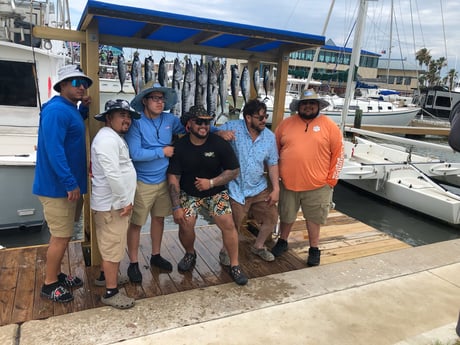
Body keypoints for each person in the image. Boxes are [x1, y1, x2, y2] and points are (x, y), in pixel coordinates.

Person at [167, 105, 248, 285]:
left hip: (215, 192)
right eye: (199, 122)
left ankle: (235, 264)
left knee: (227, 222)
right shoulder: (180, 146)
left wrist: (211, 182)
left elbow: (234, 171)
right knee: (186, 223)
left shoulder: (219, 143)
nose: (204, 125)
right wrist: (176, 207)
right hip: (189, 193)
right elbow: (173, 177)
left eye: (207, 122)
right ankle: (190, 253)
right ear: (189, 124)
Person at [33, 64, 93, 303]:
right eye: (76, 83)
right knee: (60, 236)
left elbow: (72, 129)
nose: (82, 87)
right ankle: (49, 284)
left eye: (85, 83)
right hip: (58, 189)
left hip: (69, 187)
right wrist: (69, 182)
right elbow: (54, 150)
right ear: (63, 85)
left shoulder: (69, 109)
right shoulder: (57, 111)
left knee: (65, 234)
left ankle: (57, 273)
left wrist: (84, 112)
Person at [271, 89, 344, 266]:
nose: (308, 106)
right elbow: (274, 151)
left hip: (318, 185)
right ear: (299, 106)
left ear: (318, 105)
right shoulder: (285, 124)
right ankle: (283, 241)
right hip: (288, 183)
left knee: (314, 219)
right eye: (305, 103)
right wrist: (277, 179)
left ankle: (314, 248)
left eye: (312, 103)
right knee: (286, 215)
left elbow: (339, 155)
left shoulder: (329, 125)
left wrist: (331, 181)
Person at [124, 81, 183, 282]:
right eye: (155, 98)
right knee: (136, 223)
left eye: (161, 98)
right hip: (142, 182)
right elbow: (135, 153)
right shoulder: (137, 122)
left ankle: (156, 255)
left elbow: (190, 126)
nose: (159, 102)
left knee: (159, 219)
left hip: (165, 181)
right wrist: (162, 151)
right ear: (145, 101)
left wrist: (217, 131)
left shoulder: (170, 119)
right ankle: (133, 262)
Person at [90, 99, 141, 309]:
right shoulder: (107, 140)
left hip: (113, 203)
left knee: (111, 245)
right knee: (113, 248)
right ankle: (111, 292)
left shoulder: (112, 137)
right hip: (113, 206)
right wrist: (124, 201)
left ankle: (105, 276)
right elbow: (112, 172)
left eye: (128, 115)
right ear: (108, 118)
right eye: (122, 115)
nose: (127, 119)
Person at [218, 99, 279, 263]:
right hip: (235, 187)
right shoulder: (232, 126)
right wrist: (220, 134)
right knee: (233, 223)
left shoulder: (269, 137)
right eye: (260, 117)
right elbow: (209, 133)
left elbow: (273, 163)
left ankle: (258, 246)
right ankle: (225, 250)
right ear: (247, 118)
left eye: (265, 116)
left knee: (272, 217)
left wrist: (276, 189)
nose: (264, 120)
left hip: (259, 187)